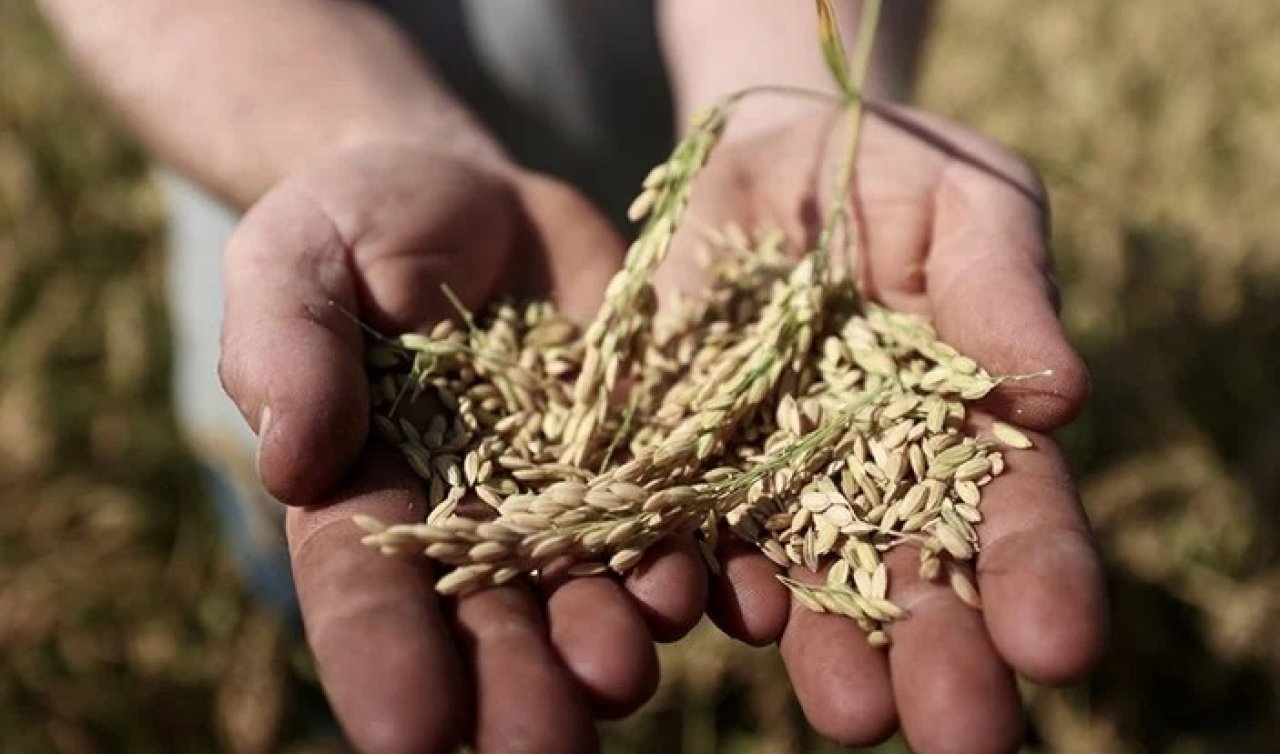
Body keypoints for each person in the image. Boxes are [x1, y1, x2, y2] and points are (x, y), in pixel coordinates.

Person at [38, 1, 1107, 752]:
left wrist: (791, 109)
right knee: (340, 565)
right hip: (338, 237)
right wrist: (360, 132)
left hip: (713, 194)